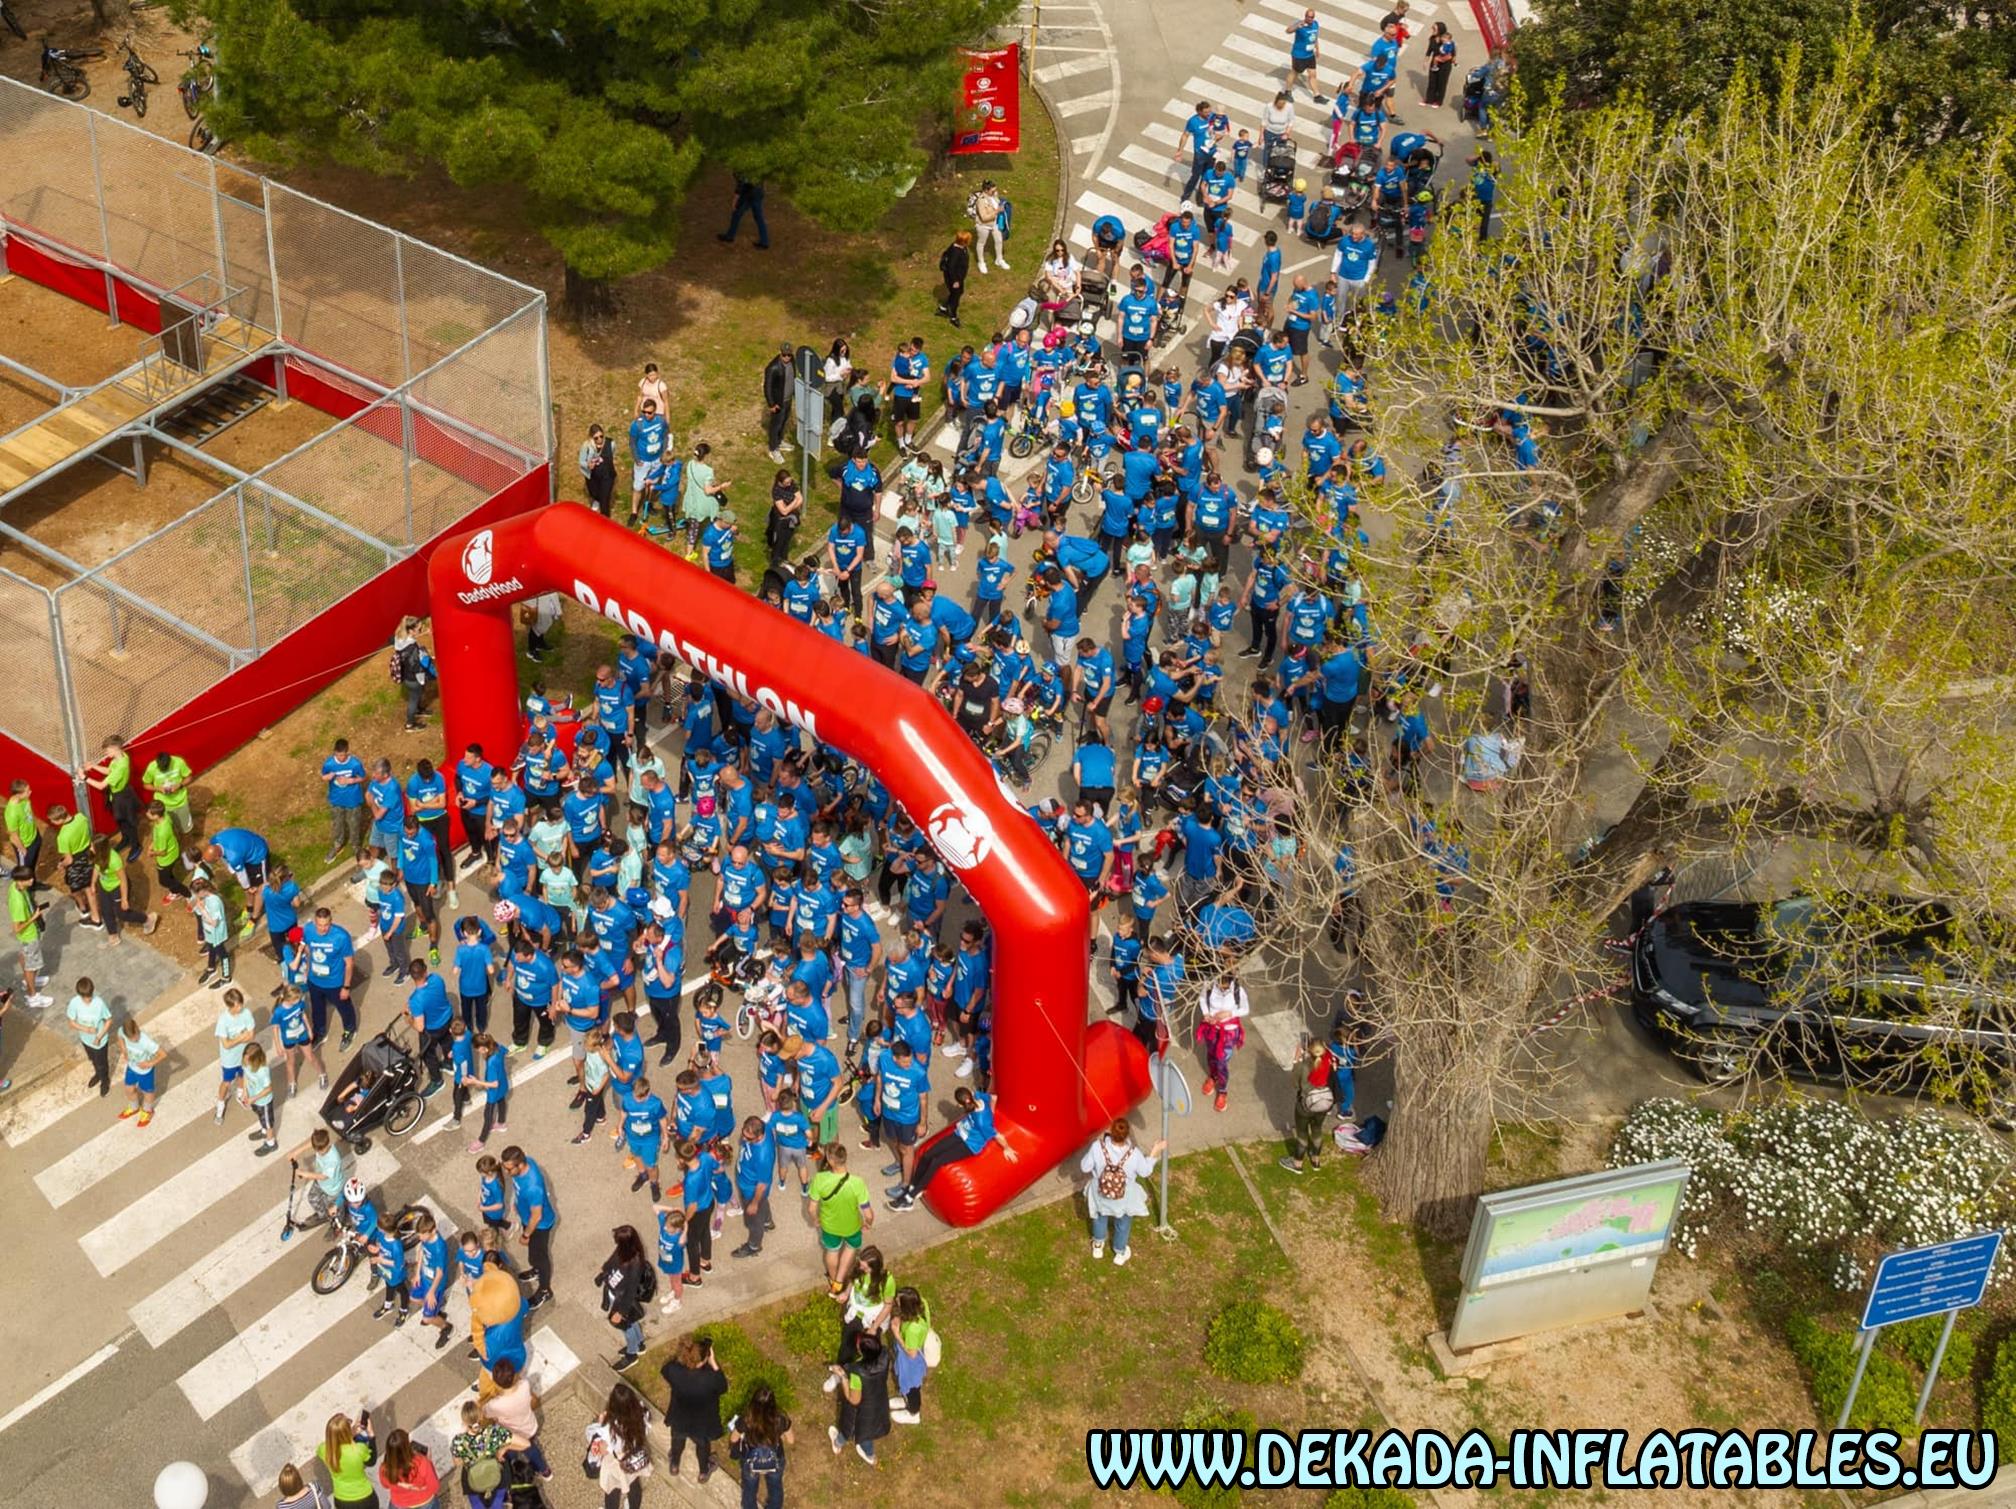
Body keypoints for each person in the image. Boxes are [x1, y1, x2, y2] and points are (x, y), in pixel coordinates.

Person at [884, 1086, 1016, 1212]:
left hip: (969, 1145)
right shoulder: (977, 1096)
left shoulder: (982, 1121)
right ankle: (913, 1186)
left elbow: (997, 1135)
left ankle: (910, 1198)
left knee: (937, 1162)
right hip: (959, 1134)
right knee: (927, 1155)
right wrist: (991, 1111)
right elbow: (993, 1097)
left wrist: (1007, 1148)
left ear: (961, 1104)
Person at [1081, 1118, 1166, 1264]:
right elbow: (1145, 1171)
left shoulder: (1097, 1146)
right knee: (1123, 1223)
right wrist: (1154, 1152)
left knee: (1099, 1218)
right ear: (1127, 1136)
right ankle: (1119, 1252)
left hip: (1101, 1193)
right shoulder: (1134, 1153)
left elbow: (1085, 1167)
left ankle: (1098, 1245)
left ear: (1110, 1131)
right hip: (1124, 1197)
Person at [805, 1142, 875, 1297]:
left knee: (832, 1251)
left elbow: (811, 1208)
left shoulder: (820, 1179)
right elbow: (868, 1214)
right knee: (850, 1248)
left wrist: (815, 1220)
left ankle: (834, 1281)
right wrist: (868, 1224)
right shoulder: (857, 1183)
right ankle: (839, 1280)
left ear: (830, 1161)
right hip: (852, 1227)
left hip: (829, 1227)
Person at [659, 1332, 729, 1483]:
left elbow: (665, 1370)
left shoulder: (675, 1370)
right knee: (702, 1446)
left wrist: (680, 1360)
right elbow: (723, 1387)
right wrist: (714, 1363)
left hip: (679, 1417)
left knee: (677, 1439)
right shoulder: (710, 1378)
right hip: (701, 1423)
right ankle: (703, 1471)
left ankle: (674, 1464)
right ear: (704, 1360)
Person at [502, 1144, 557, 1309]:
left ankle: (545, 1289)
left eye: (509, 1169)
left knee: (540, 1257)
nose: (506, 1172)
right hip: (528, 1219)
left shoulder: (533, 1186)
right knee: (534, 1255)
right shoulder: (526, 1163)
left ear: (520, 1165)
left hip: (539, 1226)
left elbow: (537, 1216)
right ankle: (536, 1270)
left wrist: (526, 1235)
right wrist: (516, 1204)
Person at [481, 1356, 552, 1483]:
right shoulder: (524, 1385)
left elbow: (484, 1413)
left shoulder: (495, 1405)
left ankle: (512, 1467)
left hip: (511, 1435)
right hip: (529, 1427)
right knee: (532, 1450)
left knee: (509, 1451)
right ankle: (544, 1470)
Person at [828, 1331, 893, 1465]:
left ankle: (837, 1443)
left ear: (862, 1352)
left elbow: (854, 1400)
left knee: (849, 1429)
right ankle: (870, 1455)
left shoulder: (858, 1372)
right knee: (867, 1433)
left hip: (861, 1411)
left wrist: (843, 1376)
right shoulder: (884, 1356)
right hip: (879, 1401)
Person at [588, 1382, 654, 1509]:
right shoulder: (642, 1412)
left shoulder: (609, 1428)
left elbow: (593, 1439)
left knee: (612, 1489)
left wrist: (599, 1423)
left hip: (616, 1463)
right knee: (634, 1484)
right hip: (635, 1457)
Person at [728, 1382, 793, 1509]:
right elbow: (791, 1440)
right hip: (775, 1459)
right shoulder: (780, 1419)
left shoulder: (747, 1419)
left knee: (749, 1491)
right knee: (775, 1488)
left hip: (751, 1460)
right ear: (773, 1403)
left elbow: (734, 1438)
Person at [1195, 969, 1251, 1111]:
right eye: (1220, 985)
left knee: (1222, 1062)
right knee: (1211, 1055)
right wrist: (1206, 1014)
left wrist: (1230, 1013)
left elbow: (1245, 1009)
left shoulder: (1238, 990)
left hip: (1228, 1033)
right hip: (1212, 1029)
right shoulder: (1209, 986)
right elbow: (1202, 999)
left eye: (1225, 986)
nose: (1222, 988)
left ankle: (1222, 1091)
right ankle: (1213, 1076)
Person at [597, 1224, 651, 1370]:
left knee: (626, 1326)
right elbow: (611, 1262)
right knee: (632, 1323)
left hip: (622, 1300)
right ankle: (639, 1344)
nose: (616, 1243)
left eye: (618, 1241)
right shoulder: (624, 1250)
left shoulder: (635, 1263)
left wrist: (620, 1312)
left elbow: (631, 1291)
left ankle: (631, 1354)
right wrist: (604, 1273)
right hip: (615, 1293)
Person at [889, 1285, 934, 1424]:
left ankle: (913, 1412)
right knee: (908, 1386)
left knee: (911, 1386)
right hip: (914, 1350)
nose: (896, 1302)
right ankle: (905, 1399)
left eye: (898, 1302)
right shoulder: (922, 1303)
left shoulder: (912, 1330)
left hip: (910, 1361)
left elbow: (911, 1353)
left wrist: (897, 1335)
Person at [8, 866, 50, 1006]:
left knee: (25, 958)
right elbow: (17, 928)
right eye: (28, 879)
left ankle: (29, 980)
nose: (32, 880)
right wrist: (34, 917)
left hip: (28, 937)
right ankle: (32, 995)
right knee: (31, 966)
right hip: (28, 936)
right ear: (20, 880)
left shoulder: (16, 887)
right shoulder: (18, 902)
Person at [319, 1411, 378, 1509]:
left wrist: (349, 1434)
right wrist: (371, 1435)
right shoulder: (359, 1449)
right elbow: (372, 1461)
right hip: (365, 1496)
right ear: (347, 1431)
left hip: (342, 1499)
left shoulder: (323, 1450)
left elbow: (333, 1442)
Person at [65, 975, 112, 1097]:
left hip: (99, 1041)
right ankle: (98, 1074)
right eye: (85, 998)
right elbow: (71, 1023)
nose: (88, 1000)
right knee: (93, 1059)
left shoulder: (99, 1003)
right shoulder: (74, 1003)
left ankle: (105, 1080)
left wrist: (99, 1037)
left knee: (102, 1062)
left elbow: (108, 1020)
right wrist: (85, 1029)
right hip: (85, 1039)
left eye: (89, 996)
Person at [377, 1428, 440, 1509]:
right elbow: (435, 1487)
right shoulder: (422, 1462)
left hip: (400, 1504)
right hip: (425, 1502)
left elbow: (385, 1485)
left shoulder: (384, 1468)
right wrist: (429, 1461)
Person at [718, 175, 770, 249]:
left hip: (748, 192)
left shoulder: (739, 166)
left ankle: (730, 236)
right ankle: (764, 242)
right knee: (759, 217)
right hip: (758, 190)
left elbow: (741, 182)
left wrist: (735, 199)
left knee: (737, 213)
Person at [762, 343, 793, 463]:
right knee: (775, 425)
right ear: (780, 353)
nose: (787, 357)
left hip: (788, 399)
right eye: (784, 355)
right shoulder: (773, 367)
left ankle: (779, 442)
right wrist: (771, 404)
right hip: (778, 402)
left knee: (784, 421)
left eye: (789, 355)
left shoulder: (792, 362)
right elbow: (767, 387)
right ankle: (773, 448)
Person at [967, 179, 1007, 272]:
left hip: (995, 223)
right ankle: (981, 262)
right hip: (983, 225)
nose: (995, 192)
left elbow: (997, 204)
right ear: (986, 190)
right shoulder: (981, 201)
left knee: (999, 241)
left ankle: (999, 260)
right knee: (981, 243)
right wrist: (997, 211)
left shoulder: (994, 196)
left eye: (995, 190)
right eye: (992, 191)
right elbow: (984, 217)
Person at [579, 423, 617, 519]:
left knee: (605, 500)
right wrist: (588, 465)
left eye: (601, 436)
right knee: (594, 493)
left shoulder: (611, 443)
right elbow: (581, 462)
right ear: (591, 438)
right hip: (592, 476)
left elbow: (613, 454)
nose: (599, 439)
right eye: (596, 438)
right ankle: (596, 500)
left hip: (607, 475)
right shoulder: (586, 446)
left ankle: (605, 520)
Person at [937, 230, 971, 328]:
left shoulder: (959, 247)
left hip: (958, 277)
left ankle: (943, 308)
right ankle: (953, 316)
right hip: (954, 279)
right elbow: (951, 267)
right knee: (955, 297)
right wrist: (955, 281)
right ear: (964, 241)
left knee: (957, 293)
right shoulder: (956, 252)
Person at [1422, 21, 1455, 107]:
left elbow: (1451, 55)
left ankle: (1438, 101)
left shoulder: (1446, 41)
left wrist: (1440, 59)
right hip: (1434, 63)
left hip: (1444, 65)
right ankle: (1429, 99)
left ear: (1440, 30)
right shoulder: (1432, 39)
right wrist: (1426, 61)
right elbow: (1429, 51)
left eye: (1434, 28)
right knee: (1432, 81)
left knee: (1441, 83)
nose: (1432, 30)